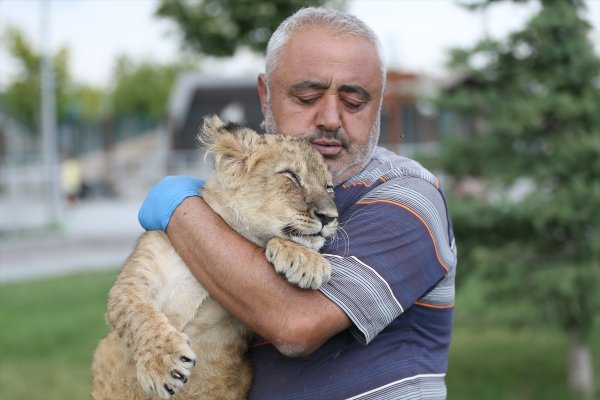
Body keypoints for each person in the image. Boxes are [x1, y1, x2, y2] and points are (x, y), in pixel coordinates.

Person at [138, 7, 457, 400]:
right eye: (307, 96)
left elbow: (295, 323)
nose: (330, 118)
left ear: (377, 105)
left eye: (355, 102)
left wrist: (183, 214)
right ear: (265, 94)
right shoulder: (249, 181)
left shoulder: (408, 196)